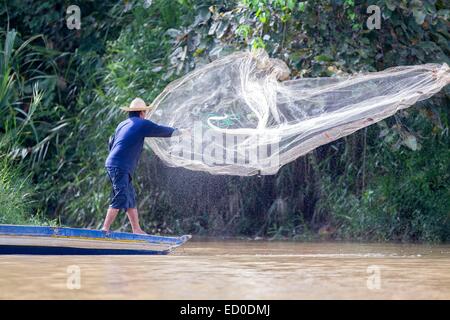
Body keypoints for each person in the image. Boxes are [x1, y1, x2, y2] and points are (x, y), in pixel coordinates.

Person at [102, 97, 181, 234]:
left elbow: (111, 142)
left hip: (115, 164)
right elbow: (161, 130)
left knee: (129, 196)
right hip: (120, 166)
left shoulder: (123, 124)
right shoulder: (141, 124)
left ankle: (136, 229)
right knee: (121, 195)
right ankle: (105, 229)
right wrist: (180, 132)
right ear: (142, 113)